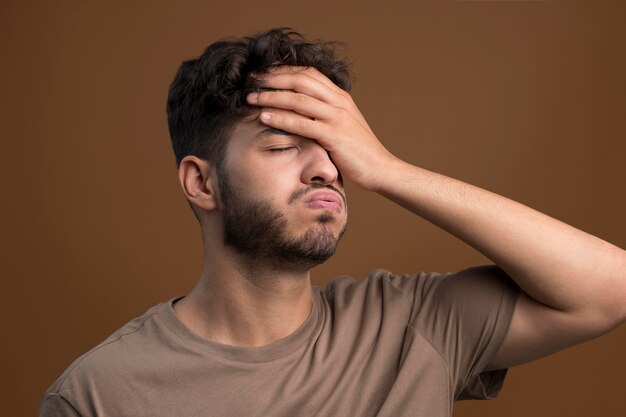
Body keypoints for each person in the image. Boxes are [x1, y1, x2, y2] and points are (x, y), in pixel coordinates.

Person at [40, 27, 625, 417]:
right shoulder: (99, 394)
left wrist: (386, 169)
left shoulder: (412, 326)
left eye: (336, 148)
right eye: (282, 145)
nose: (327, 168)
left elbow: (610, 289)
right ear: (201, 183)